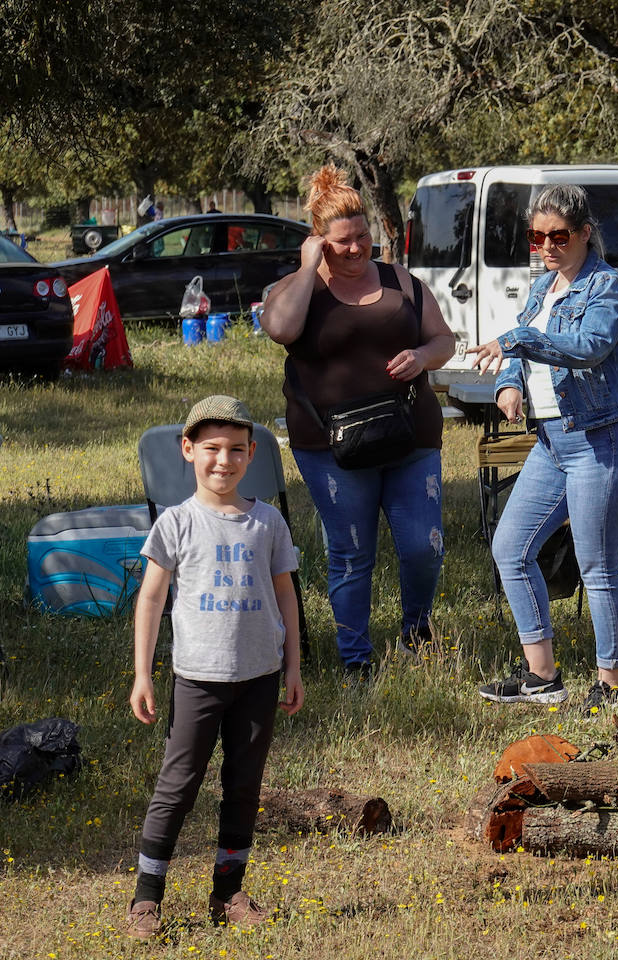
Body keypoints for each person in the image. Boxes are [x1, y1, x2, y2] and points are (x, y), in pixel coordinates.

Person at [262, 165, 455, 677]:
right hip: (330, 446)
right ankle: (356, 660)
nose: (356, 248)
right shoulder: (295, 289)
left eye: (363, 236)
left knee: (422, 547)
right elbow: (281, 329)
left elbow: (445, 340)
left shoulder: (401, 280)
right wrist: (307, 270)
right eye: (342, 241)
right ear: (319, 242)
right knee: (350, 552)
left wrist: (421, 356)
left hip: (410, 435)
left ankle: (417, 633)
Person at [124, 396, 303, 939]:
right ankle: (146, 898)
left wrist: (293, 666)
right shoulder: (177, 523)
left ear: (251, 455)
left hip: (259, 677)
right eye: (211, 449)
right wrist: (143, 673)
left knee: (244, 786)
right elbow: (151, 601)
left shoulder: (267, 521)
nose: (223, 461)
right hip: (198, 679)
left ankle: (228, 891)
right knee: (177, 786)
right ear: (188, 451)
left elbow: (287, 597)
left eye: (235, 450)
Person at [467, 184, 618, 711]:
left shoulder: (608, 288)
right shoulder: (541, 287)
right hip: (552, 440)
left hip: (604, 438)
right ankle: (542, 677)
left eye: (558, 236)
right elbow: (527, 338)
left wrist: (514, 344)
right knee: (510, 549)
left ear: (585, 234)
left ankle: (613, 687)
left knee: (597, 564)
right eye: (536, 236)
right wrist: (511, 383)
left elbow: (588, 349)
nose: (547, 246)